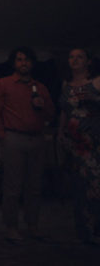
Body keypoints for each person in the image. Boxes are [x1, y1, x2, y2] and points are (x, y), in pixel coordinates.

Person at [0, 46, 55, 243]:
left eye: (26, 59)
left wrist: (43, 107)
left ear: (32, 63)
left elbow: (51, 114)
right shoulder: (3, 84)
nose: (23, 63)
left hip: (37, 138)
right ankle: (11, 227)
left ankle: (33, 225)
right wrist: (2, 135)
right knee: (12, 186)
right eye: (19, 59)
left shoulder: (40, 87)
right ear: (14, 63)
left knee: (34, 186)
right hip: (13, 138)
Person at [58, 48, 100, 245]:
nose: (75, 60)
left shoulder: (97, 82)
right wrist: (60, 133)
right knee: (79, 186)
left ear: (88, 61)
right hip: (73, 141)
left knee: (95, 185)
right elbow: (64, 112)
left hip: (93, 140)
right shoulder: (66, 85)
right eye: (71, 56)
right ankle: (84, 231)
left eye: (79, 57)